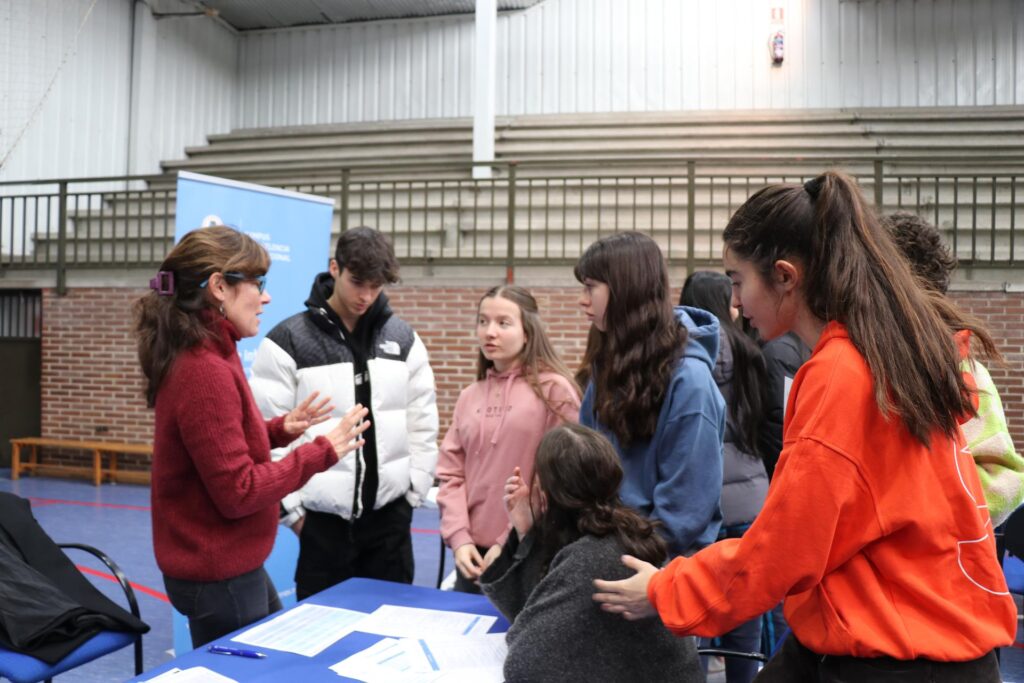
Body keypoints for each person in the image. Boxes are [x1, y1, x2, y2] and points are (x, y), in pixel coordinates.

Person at [593, 172, 1017, 682]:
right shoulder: (881, 353)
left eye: (737, 281)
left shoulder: (842, 370)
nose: (735, 303)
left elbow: (785, 547)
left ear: (785, 276)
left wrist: (666, 590)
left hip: (901, 656)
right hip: (916, 641)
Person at [134, 226, 370, 647]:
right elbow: (238, 490)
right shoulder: (203, 369)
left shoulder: (208, 352)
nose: (266, 297)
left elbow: (212, 445)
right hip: (218, 575)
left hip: (227, 568)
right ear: (219, 288)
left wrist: (279, 430)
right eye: (257, 284)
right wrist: (322, 451)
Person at [250, 226, 438, 598]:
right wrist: (295, 513)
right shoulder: (287, 342)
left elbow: (422, 420)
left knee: (392, 635)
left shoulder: (403, 340)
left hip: (391, 525)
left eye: (377, 284)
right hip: (322, 527)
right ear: (335, 268)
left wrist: (413, 492)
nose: (366, 295)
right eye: (357, 282)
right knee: (321, 644)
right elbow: (266, 431)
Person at [479, 423, 704, 683]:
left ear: (548, 493)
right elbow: (532, 611)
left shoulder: (594, 557)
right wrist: (527, 531)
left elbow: (523, 664)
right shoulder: (612, 535)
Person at [575, 231, 725, 558]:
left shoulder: (690, 381)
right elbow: (588, 464)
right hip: (606, 549)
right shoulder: (607, 365)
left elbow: (685, 509)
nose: (582, 300)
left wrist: (617, 558)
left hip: (661, 570)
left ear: (625, 290)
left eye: (590, 288)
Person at [884, 210, 1024, 527]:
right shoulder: (869, 357)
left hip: (942, 560)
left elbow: (1004, 483)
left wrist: (913, 511)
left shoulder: (965, 370)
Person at [437, 285, 581, 593]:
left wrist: (508, 539)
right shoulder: (468, 397)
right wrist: (460, 538)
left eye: (503, 323)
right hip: (473, 558)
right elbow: (450, 474)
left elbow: (558, 479)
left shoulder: (555, 391)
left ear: (528, 331)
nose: (490, 332)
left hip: (531, 551)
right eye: (483, 321)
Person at [681, 271, 769, 683]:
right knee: (745, 606)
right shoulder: (751, 352)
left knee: (696, 602)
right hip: (750, 495)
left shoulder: (681, 360)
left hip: (699, 496)